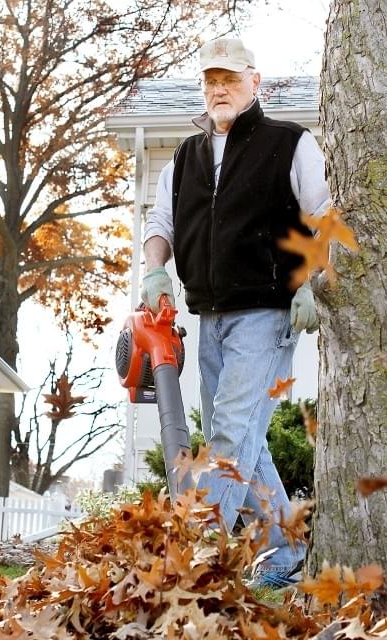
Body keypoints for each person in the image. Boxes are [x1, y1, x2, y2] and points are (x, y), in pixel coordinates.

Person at [141, 37, 329, 589]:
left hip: (269, 312)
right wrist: (155, 271)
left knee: (228, 435)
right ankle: (284, 549)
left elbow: (322, 215)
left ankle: (194, 566)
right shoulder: (186, 157)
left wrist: (312, 278)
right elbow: (161, 225)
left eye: (229, 78)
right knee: (243, 435)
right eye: (209, 80)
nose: (218, 88)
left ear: (254, 82)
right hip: (210, 316)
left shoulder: (290, 143)